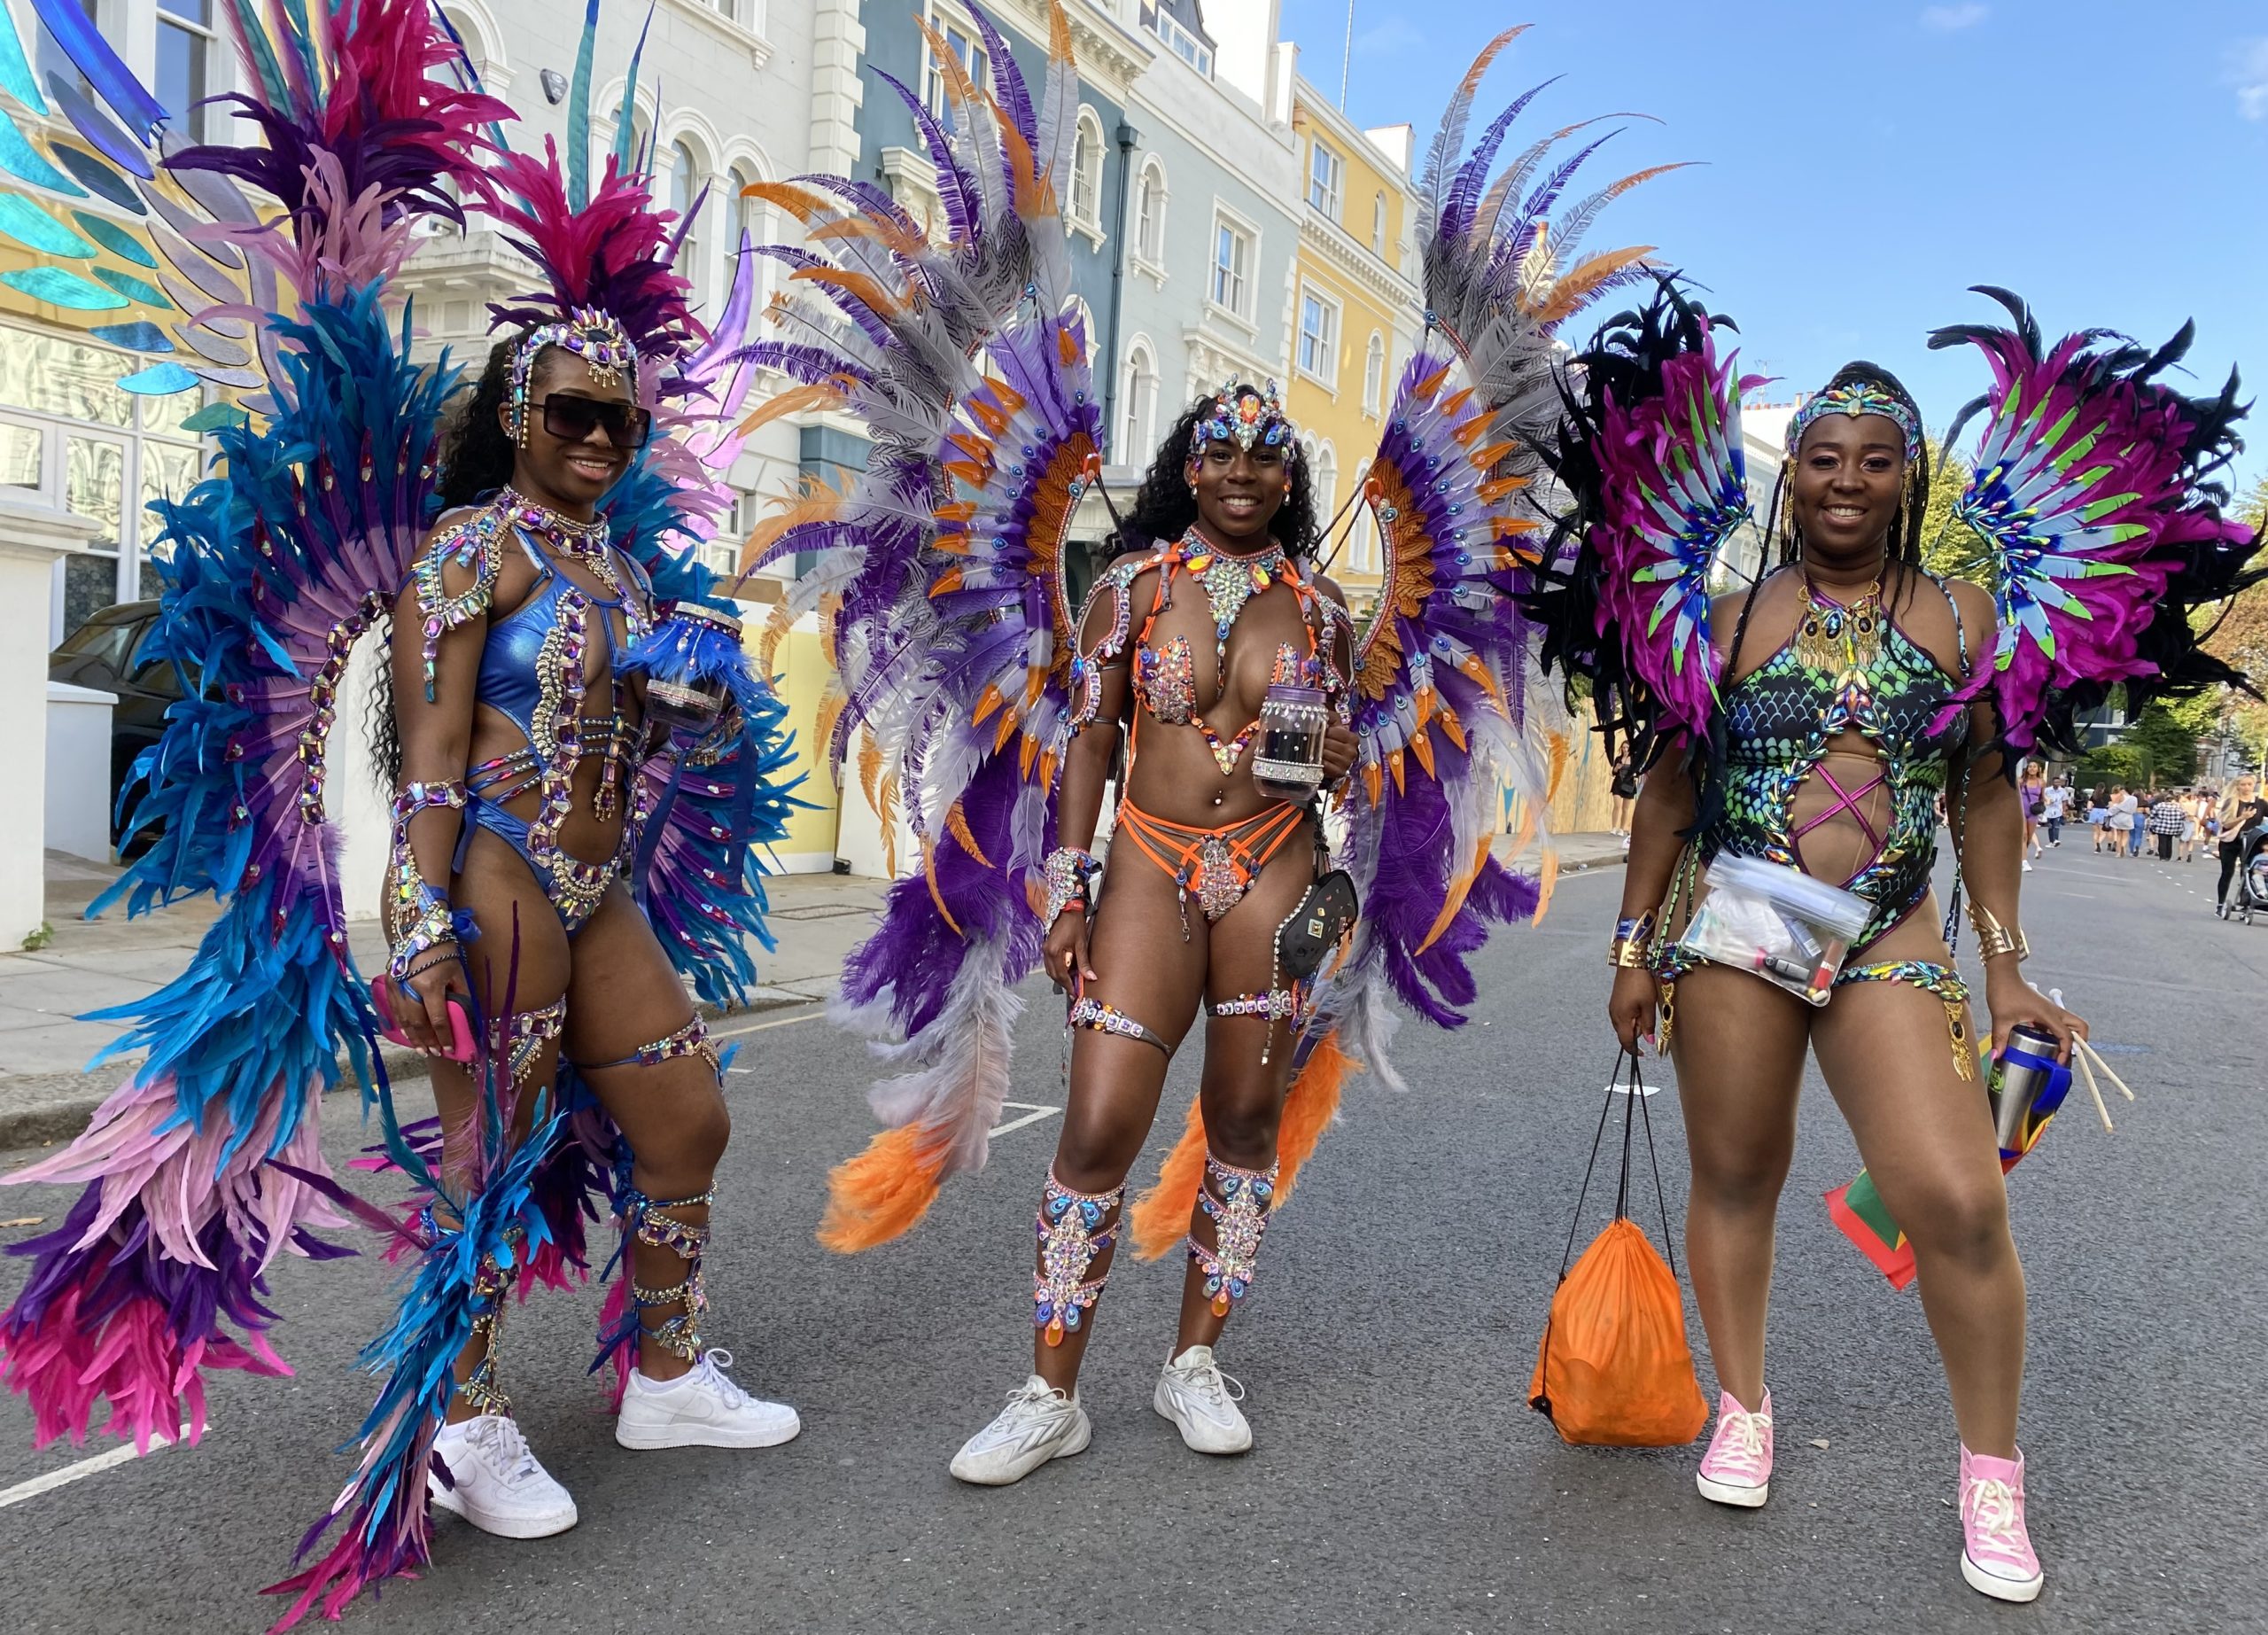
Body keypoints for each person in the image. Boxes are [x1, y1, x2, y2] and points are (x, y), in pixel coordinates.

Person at [2218, 775, 2265, 915]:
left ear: (2254, 785)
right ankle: (2221, 903)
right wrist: (2242, 818)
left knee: (2248, 872)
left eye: (2249, 784)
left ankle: (2246, 903)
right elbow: (2226, 824)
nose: (2246, 788)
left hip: (2251, 842)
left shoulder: (2260, 803)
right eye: (2243, 785)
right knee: (2227, 872)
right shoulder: (2231, 802)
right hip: (2231, 841)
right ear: (2237, 786)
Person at [2148, 789, 2185, 860]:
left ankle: (2162, 856)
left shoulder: (2159, 805)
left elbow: (2152, 815)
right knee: (2169, 841)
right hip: (2172, 827)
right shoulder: (2177, 806)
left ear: (2165, 799)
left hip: (2161, 826)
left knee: (2162, 842)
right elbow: (2183, 815)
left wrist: (2153, 823)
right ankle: (2168, 856)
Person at [2019, 763, 2045, 864]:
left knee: (2029, 837)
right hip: (2021, 810)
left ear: (2038, 769)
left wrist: (2043, 806)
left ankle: (2021, 854)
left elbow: (2041, 797)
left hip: (2033, 812)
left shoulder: (2041, 782)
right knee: (2024, 835)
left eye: (2034, 767)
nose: (2032, 768)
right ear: (2027, 769)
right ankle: (2024, 861)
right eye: (2030, 766)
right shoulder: (2021, 781)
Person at [2039, 778, 2068, 848]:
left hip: (2058, 810)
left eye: (2058, 782)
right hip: (2048, 810)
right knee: (2051, 826)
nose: (2057, 783)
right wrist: (2047, 801)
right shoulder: (2047, 790)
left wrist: (2064, 810)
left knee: (2056, 825)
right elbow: (2042, 798)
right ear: (2052, 783)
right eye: (2055, 782)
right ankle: (2051, 841)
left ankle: (2056, 840)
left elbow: (2064, 801)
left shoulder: (2062, 791)